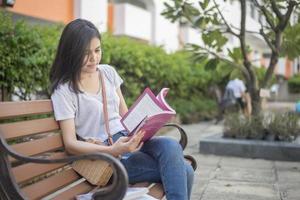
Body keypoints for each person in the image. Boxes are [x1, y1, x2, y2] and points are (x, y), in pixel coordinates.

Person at [50, 19, 194, 200]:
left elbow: (125, 116)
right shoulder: (64, 91)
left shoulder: (108, 73)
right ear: (71, 53)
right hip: (107, 157)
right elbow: (70, 144)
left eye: (97, 50)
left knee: (171, 144)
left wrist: (145, 126)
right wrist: (114, 150)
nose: (94, 58)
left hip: (128, 139)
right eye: (86, 53)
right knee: (185, 170)